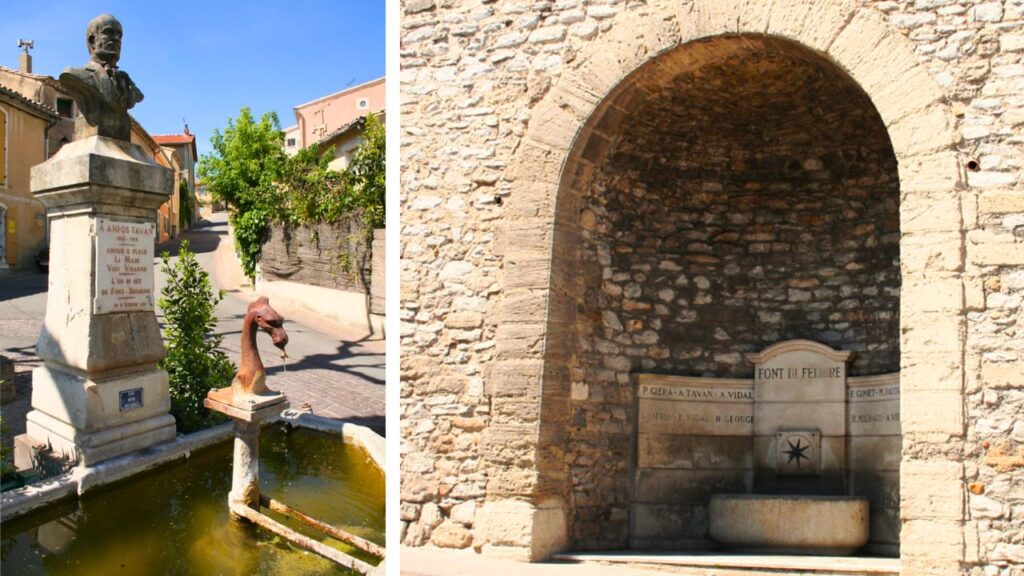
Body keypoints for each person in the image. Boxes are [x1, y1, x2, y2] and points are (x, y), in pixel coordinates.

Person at [59, 14, 143, 141]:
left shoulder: (127, 82)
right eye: (109, 32)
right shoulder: (75, 75)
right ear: (92, 40)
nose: (116, 39)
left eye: (119, 35)